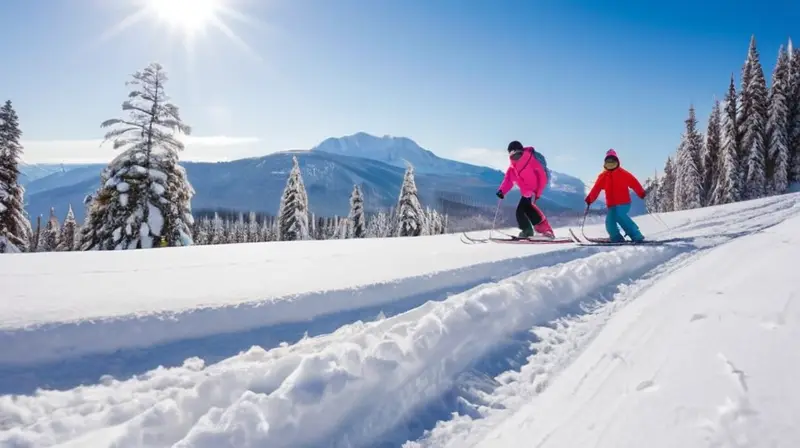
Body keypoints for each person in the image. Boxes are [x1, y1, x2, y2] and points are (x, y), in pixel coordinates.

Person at [496, 140, 555, 239]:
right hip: (526, 193)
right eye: (511, 153)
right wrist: (502, 191)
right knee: (527, 210)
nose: (514, 155)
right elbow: (508, 181)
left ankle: (530, 231)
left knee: (522, 210)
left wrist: (538, 192)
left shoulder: (530, 160)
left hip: (532, 191)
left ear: (520, 150)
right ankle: (541, 231)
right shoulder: (512, 168)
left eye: (516, 152)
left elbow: (542, 176)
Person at [585, 149, 646, 242]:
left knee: (620, 215)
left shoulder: (623, 174)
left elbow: (634, 182)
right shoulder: (603, 177)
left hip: (624, 203)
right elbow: (596, 189)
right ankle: (616, 237)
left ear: (617, 162)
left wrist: (641, 192)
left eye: (613, 162)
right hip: (612, 205)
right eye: (608, 163)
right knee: (610, 222)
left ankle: (636, 235)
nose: (611, 165)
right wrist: (590, 199)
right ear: (605, 164)